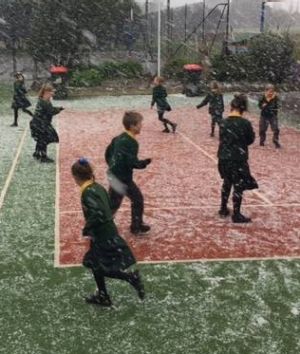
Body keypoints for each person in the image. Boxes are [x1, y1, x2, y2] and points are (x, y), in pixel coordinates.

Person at [71, 158, 145, 307]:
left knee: (99, 266)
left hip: (102, 234)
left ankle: (130, 278)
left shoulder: (87, 192)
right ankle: (104, 295)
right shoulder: (97, 187)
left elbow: (99, 213)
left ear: (76, 177)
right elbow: (108, 207)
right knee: (95, 264)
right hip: (105, 232)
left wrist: (88, 228)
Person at [105, 111, 151, 235]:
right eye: (140, 123)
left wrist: (111, 165)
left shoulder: (118, 138)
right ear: (132, 126)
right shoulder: (131, 142)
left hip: (115, 175)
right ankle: (98, 228)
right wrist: (144, 163)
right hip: (121, 178)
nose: (142, 126)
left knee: (127, 201)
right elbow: (132, 162)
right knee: (117, 203)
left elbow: (108, 153)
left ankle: (136, 225)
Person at [218, 93, 258, 223]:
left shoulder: (223, 122)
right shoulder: (245, 123)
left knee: (227, 182)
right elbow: (250, 139)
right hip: (238, 158)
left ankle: (223, 208)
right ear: (243, 108)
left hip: (223, 157)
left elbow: (222, 138)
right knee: (238, 185)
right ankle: (236, 214)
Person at [29, 83, 63, 163]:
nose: (53, 93)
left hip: (38, 123)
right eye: (51, 91)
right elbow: (50, 111)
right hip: (40, 124)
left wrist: (58, 109)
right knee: (45, 139)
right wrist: (58, 110)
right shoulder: (45, 102)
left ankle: (37, 154)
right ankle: (43, 157)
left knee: (41, 139)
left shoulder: (43, 100)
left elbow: (49, 109)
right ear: (46, 92)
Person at [258, 84, 281, 148]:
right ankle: (262, 141)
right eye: (269, 91)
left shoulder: (276, 97)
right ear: (266, 91)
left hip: (273, 115)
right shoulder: (262, 97)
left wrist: (275, 107)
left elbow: (279, 105)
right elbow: (259, 105)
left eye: (272, 91)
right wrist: (262, 105)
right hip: (264, 115)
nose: (270, 93)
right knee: (262, 129)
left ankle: (275, 140)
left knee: (276, 129)